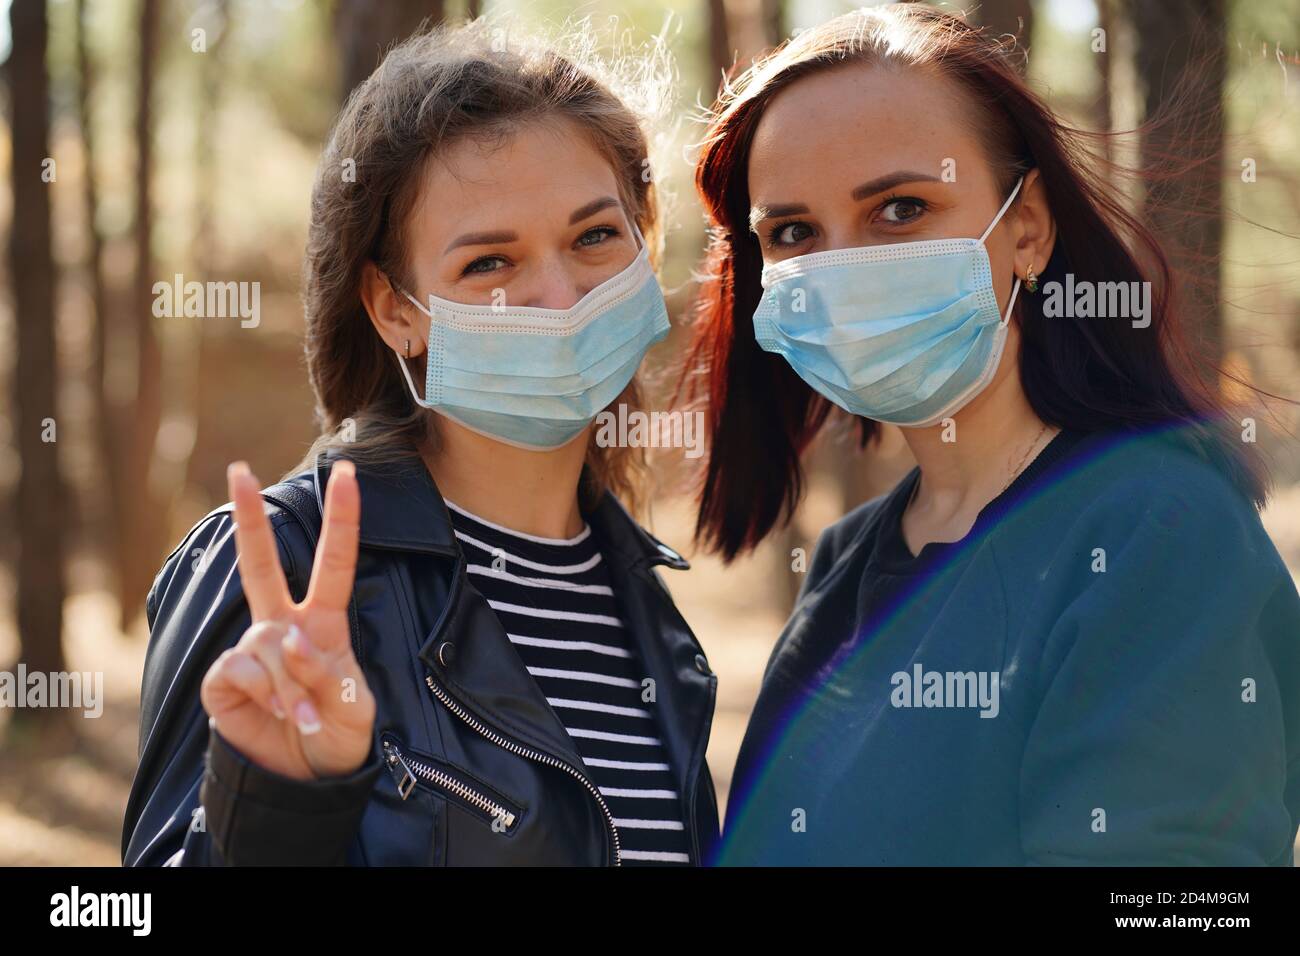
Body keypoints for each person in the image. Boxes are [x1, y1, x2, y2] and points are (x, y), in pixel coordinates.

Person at [682, 5, 1300, 865]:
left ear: (1027, 229)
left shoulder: (1155, 533)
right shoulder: (848, 561)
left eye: (901, 208)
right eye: (793, 233)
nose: (845, 266)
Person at [122, 18, 719, 867]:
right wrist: (278, 810)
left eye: (594, 236)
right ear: (395, 309)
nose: (559, 295)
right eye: (489, 263)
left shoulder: (652, 617)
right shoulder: (286, 571)